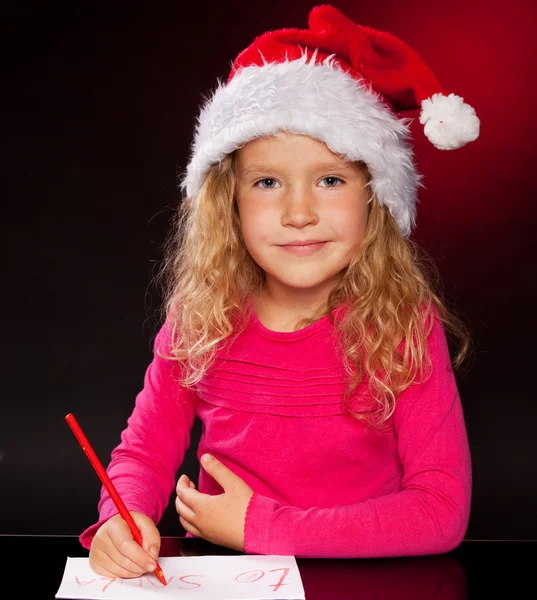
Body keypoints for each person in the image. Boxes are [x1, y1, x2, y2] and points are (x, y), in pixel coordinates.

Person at [79, 4, 479, 579]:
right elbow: (142, 454)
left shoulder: (403, 326)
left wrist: (259, 527)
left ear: (374, 196)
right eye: (268, 182)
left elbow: (440, 512)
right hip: (227, 583)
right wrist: (125, 517)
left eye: (330, 180)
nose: (298, 213)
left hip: (366, 583)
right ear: (230, 202)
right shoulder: (199, 321)